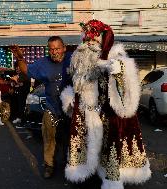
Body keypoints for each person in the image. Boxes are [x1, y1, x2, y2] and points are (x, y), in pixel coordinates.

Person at [60, 20, 151, 189]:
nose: (89, 44)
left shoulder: (114, 58)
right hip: (85, 115)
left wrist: (118, 72)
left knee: (110, 159)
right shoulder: (77, 61)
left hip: (109, 116)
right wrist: (70, 99)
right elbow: (72, 86)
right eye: (86, 40)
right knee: (87, 159)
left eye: (93, 40)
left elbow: (127, 89)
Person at [10, 36, 72, 179]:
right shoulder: (43, 63)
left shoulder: (73, 58)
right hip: (51, 109)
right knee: (49, 139)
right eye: (51, 49)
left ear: (64, 48)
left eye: (57, 48)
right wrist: (20, 58)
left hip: (70, 110)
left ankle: (70, 164)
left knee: (71, 139)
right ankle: (49, 165)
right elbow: (26, 70)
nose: (54, 52)